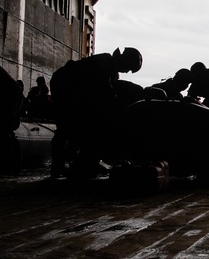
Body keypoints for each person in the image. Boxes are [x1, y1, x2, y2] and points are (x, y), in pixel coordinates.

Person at [49, 46, 143, 177]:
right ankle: (59, 164)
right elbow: (106, 94)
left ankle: (75, 161)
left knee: (82, 125)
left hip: (74, 90)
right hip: (64, 86)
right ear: (124, 60)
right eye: (128, 68)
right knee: (66, 127)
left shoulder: (112, 71)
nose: (127, 71)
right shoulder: (104, 63)